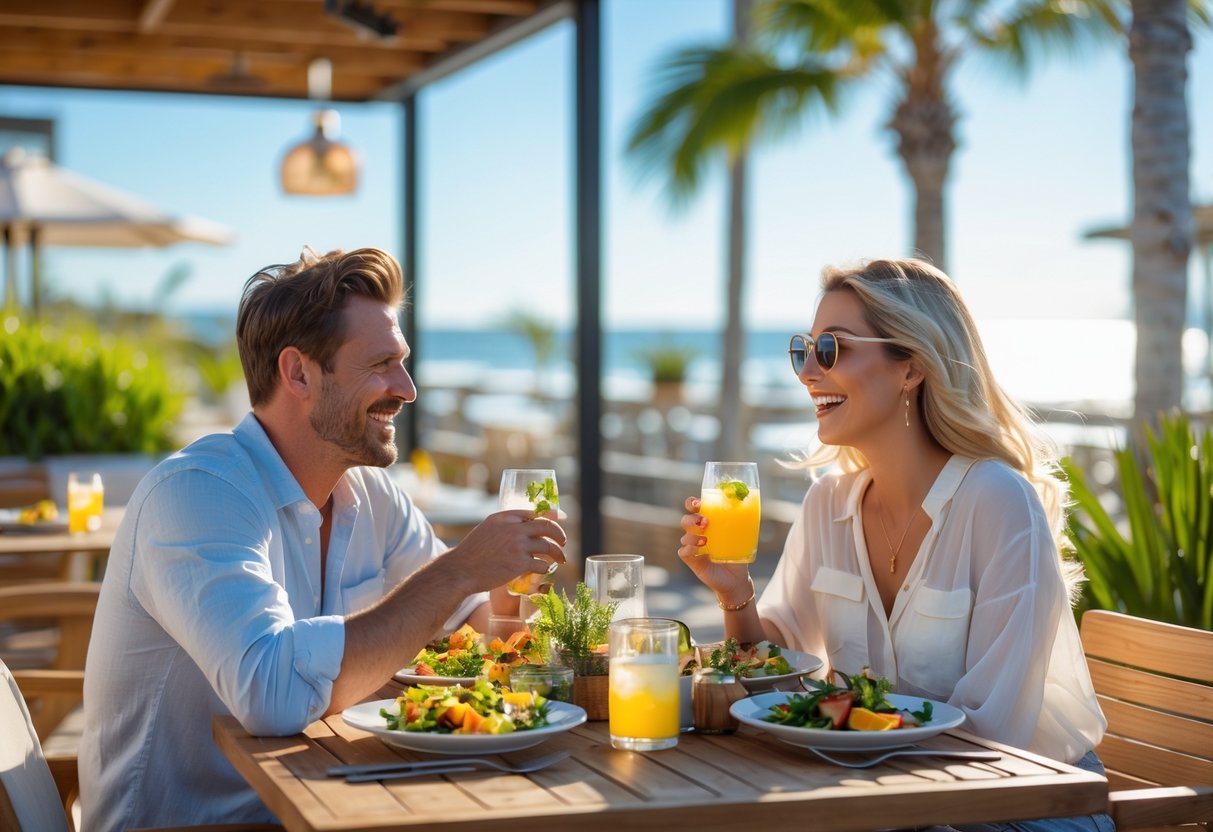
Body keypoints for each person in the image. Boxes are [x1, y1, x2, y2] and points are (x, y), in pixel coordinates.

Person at [80, 247, 565, 831]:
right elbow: (272, 695)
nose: (407, 389)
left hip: (332, 803)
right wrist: (460, 569)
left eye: (403, 362)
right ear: (300, 373)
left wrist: (511, 577)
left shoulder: (370, 496)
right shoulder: (196, 496)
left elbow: (479, 627)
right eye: (381, 363)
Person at [678, 258, 1110, 832]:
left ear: (911, 367)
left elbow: (994, 733)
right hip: (880, 799)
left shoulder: (998, 503)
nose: (807, 371)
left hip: (1020, 808)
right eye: (801, 350)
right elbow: (775, 671)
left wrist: (841, 753)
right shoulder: (827, 506)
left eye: (831, 349)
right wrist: (736, 597)